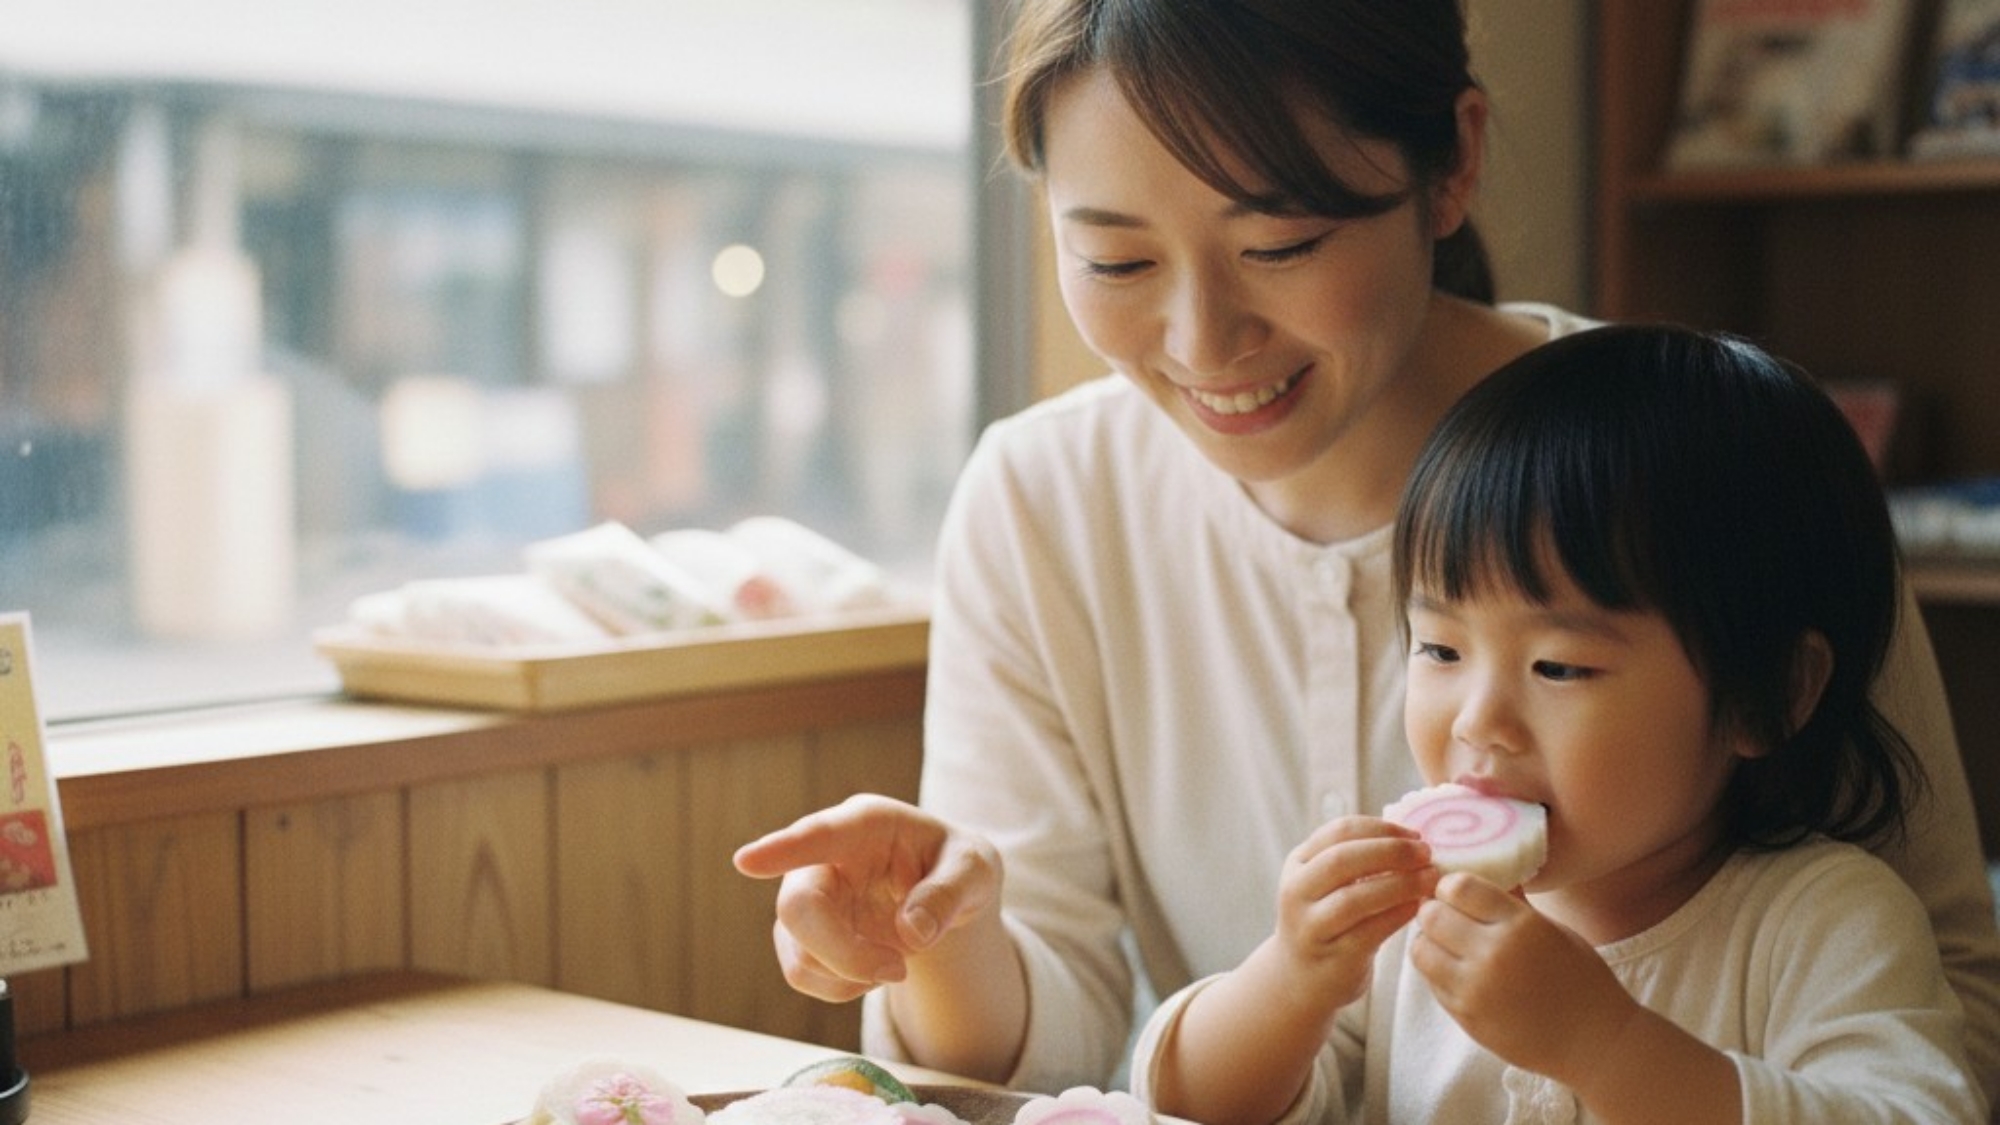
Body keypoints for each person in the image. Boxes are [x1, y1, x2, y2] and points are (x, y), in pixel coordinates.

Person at [732, 0, 2000, 1100]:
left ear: (1449, 164)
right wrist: (939, 934)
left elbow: (1948, 1023)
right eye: (1114, 258)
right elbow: (1063, 1063)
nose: (1202, 341)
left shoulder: (1706, 470)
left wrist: (1614, 1052)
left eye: (1278, 246)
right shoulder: (1039, 497)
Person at [1128, 324, 1988, 1125]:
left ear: (1767, 694)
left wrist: (1604, 1045)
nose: (1480, 720)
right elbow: (1188, 1101)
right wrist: (1291, 979)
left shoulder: (1823, 921)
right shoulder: (1413, 913)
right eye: (1440, 648)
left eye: (1560, 666)